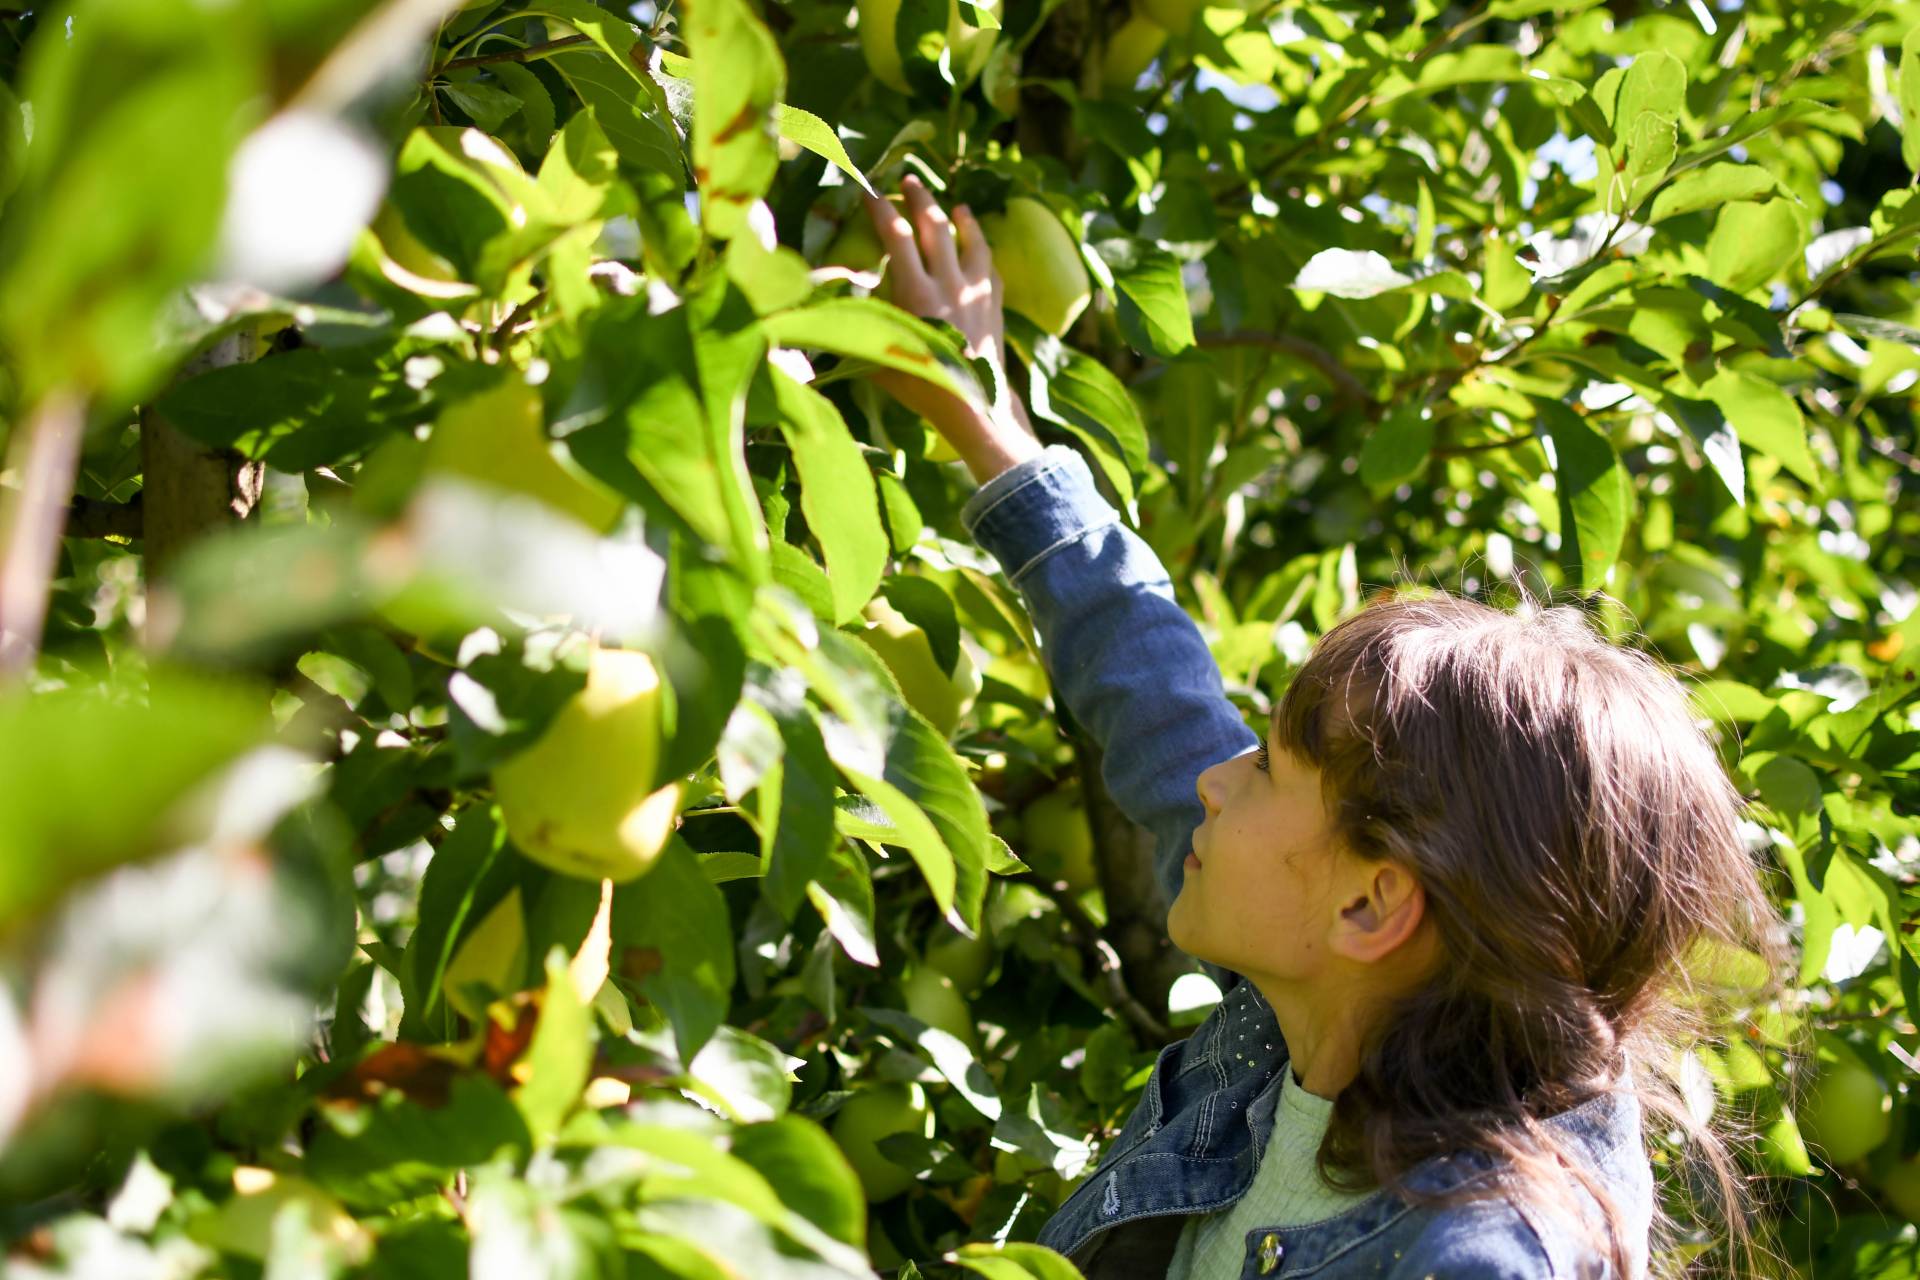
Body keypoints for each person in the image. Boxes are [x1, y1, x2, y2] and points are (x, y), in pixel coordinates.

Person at [856, 176, 1792, 1279]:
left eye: (1262, 766)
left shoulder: (1473, 1258)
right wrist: (985, 420)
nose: (1213, 781)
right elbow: (1153, 692)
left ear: (1371, 900)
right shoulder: (1323, 1015)